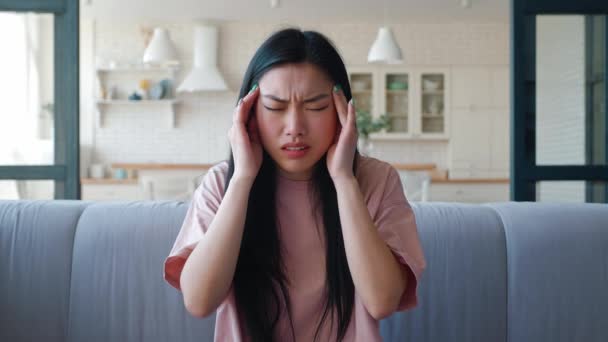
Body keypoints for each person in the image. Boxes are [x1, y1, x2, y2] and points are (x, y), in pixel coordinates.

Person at [163, 27, 426, 342]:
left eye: (315, 107)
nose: (295, 128)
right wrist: (243, 178)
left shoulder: (376, 180)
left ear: (344, 112)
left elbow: (382, 301)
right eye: (275, 107)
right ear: (248, 114)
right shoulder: (223, 183)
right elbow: (199, 300)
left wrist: (344, 179)